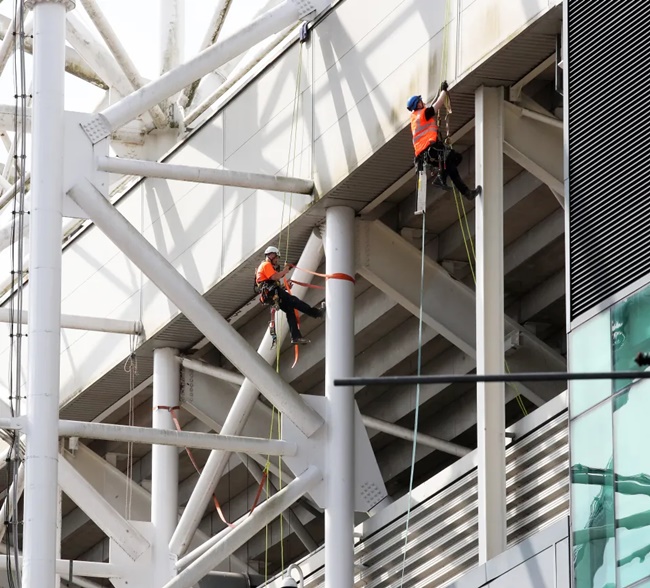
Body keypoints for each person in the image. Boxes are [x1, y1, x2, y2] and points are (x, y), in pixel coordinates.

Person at [407, 81, 481, 200]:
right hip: (431, 149)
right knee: (454, 157)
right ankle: (441, 178)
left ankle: (466, 192)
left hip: (426, 154)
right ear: (418, 104)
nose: (423, 102)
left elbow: (433, 105)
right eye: (421, 101)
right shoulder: (423, 114)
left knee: (451, 166)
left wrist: (440, 92)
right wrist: (444, 91)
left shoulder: (415, 117)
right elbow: (438, 104)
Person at [255, 246, 325, 345]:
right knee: (295, 302)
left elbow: (270, 282)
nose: (277, 260)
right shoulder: (266, 265)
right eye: (276, 257)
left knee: (290, 311)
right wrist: (285, 270)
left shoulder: (265, 266)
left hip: (272, 293)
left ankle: (295, 337)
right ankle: (318, 313)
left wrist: (283, 287)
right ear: (271, 255)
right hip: (273, 292)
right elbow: (274, 276)